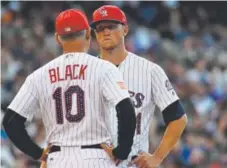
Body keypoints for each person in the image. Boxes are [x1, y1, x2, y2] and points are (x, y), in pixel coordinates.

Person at [2, 9, 136, 168]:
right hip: (96, 156)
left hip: (58, 159)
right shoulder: (104, 69)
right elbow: (126, 110)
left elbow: (11, 121)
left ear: (58, 39)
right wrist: (121, 151)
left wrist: (37, 152)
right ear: (87, 33)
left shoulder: (39, 75)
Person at [90, 5, 188, 168]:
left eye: (112, 26)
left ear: (125, 30)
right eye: (100, 29)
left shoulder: (149, 70)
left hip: (131, 162)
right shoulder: (86, 72)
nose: (106, 32)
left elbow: (178, 118)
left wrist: (157, 157)